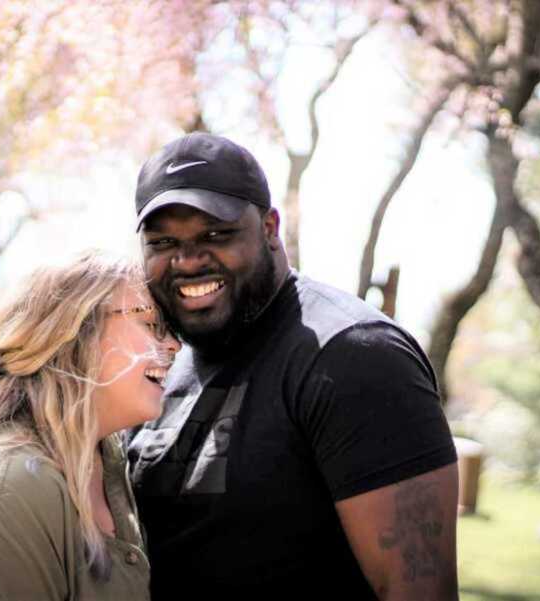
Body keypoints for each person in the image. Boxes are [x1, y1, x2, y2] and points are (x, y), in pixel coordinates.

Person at [128, 133, 460, 600]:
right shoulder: (154, 363)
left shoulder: (353, 356)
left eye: (216, 235)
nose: (187, 260)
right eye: (163, 242)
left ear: (269, 227)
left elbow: (417, 590)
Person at [0, 251, 180, 601]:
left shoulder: (107, 463)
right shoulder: (11, 487)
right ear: (74, 331)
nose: (174, 345)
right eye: (152, 325)